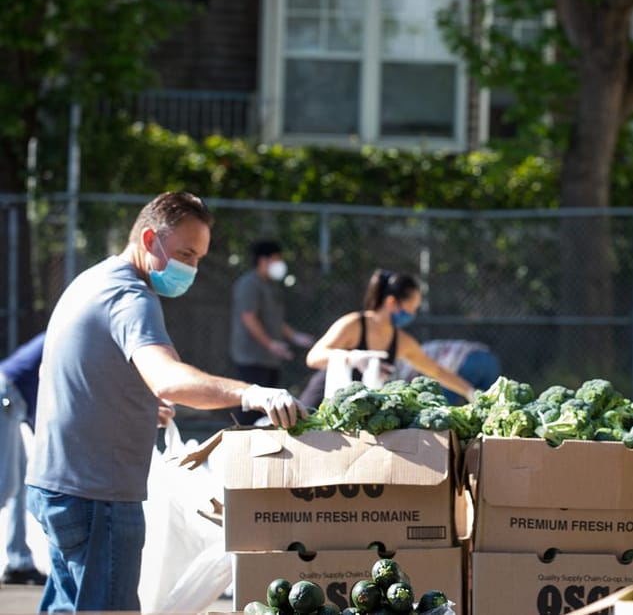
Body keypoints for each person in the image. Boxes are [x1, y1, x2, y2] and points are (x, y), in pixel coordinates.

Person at [26, 191, 306, 613]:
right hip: (96, 495)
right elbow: (170, 379)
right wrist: (252, 393)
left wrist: (130, 403)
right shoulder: (131, 297)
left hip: (58, 485)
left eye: (199, 258)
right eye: (186, 254)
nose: (191, 268)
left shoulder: (91, 281)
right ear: (150, 238)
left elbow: (69, 373)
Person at [305, 268, 476, 401]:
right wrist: (354, 358)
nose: (413, 313)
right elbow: (313, 358)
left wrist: (470, 392)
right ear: (391, 302)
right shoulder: (354, 324)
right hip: (322, 403)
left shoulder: (401, 341)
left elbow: (436, 371)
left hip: (354, 417)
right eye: (411, 307)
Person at [229, 239, 315, 424]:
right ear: (263, 260)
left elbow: (275, 320)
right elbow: (248, 317)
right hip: (251, 358)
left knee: (266, 413)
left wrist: (295, 336)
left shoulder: (271, 285)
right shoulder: (249, 284)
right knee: (250, 409)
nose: (280, 264)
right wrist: (270, 344)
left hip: (269, 360)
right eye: (277, 259)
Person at [0, 332, 47, 586]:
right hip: (6, 398)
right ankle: (18, 560)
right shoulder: (65, 334)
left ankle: (19, 562)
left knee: (18, 486)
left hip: (13, 403)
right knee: (5, 485)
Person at [394, 340, 501, 405]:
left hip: (464, 363)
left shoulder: (405, 363)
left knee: (444, 405)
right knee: (487, 405)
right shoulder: (417, 349)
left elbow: (436, 374)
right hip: (488, 359)